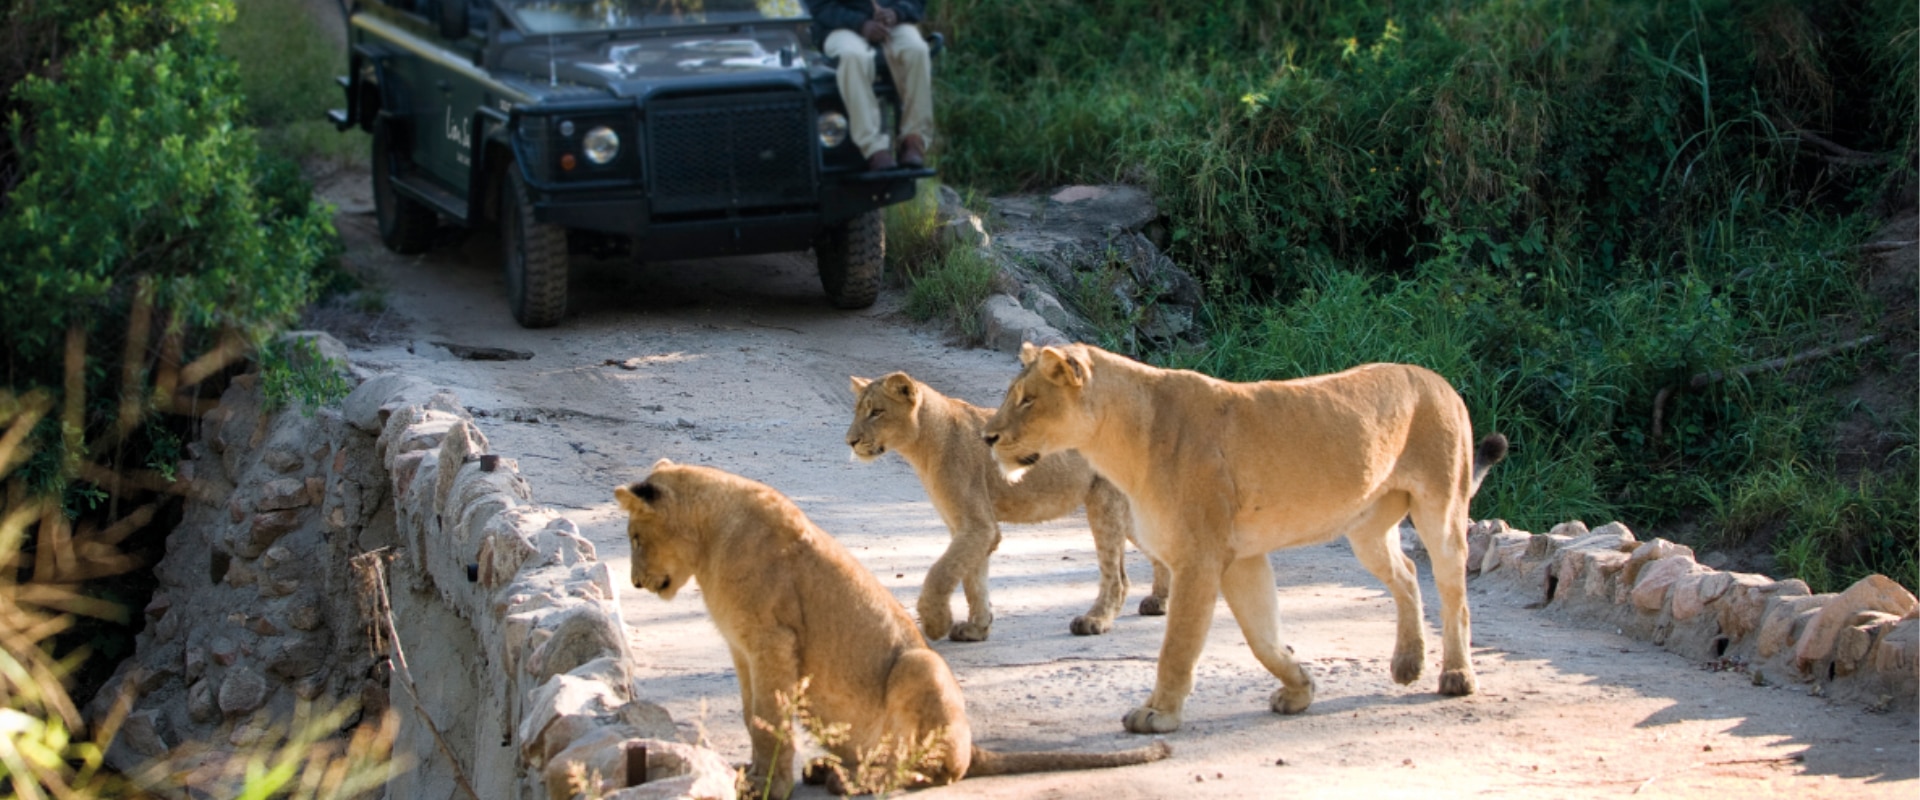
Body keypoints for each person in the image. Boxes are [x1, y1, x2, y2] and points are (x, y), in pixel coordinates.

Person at [806, 0, 934, 170]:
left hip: (894, 23)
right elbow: (819, 8)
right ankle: (873, 147)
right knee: (853, 56)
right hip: (839, 27)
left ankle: (914, 139)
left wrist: (897, 13)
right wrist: (861, 23)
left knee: (917, 50)